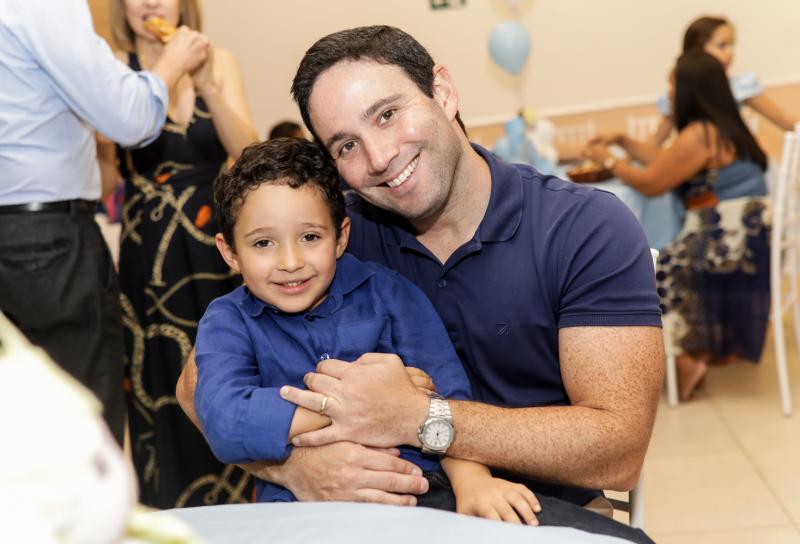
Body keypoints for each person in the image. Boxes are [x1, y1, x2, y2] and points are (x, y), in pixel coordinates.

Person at [178, 25, 662, 543]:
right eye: (346, 145)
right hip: (367, 510)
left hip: (532, 509)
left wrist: (416, 417)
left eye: (387, 114)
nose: (379, 157)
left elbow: (618, 451)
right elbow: (197, 391)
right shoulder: (326, 240)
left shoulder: (582, 228)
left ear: (443, 92)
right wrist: (296, 469)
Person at [195, 137, 542, 524]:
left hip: (417, 493)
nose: (290, 261)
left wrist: (472, 482)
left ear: (340, 237)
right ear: (229, 252)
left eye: (310, 237)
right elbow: (224, 419)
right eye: (263, 243)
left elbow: (446, 396)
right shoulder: (227, 321)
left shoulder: (389, 294)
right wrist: (365, 405)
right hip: (297, 508)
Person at [0, 0, 208, 445]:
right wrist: (171, 64)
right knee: (82, 414)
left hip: (25, 233)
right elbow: (128, 117)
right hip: (46, 238)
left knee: (20, 418)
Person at [100, 0, 259, 508]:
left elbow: (247, 151)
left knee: (227, 369)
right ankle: (171, 509)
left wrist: (208, 83)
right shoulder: (111, 66)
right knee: (160, 378)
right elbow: (106, 172)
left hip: (216, 249)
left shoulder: (219, 59)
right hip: (151, 256)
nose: (150, 2)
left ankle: (243, 503)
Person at [584, 51, 770, 401]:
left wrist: (606, 161)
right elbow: (666, 161)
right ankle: (693, 348)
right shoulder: (718, 126)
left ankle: (687, 354)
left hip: (726, 238)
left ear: (690, 88)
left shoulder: (701, 133)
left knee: (649, 265)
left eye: (672, 84)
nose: (668, 92)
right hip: (746, 233)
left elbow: (651, 183)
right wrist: (624, 141)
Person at [649, 15, 798, 146]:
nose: (730, 53)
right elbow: (656, 141)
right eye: (722, 46)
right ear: (696, 53)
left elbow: (787, 121)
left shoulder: (739, 87)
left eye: (731, 45)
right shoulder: (678, 95)